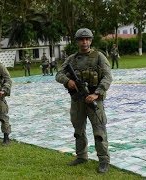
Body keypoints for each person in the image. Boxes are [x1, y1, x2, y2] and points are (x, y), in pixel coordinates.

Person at [55, 28, 112, 173]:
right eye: (81, 39)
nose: (84, 42)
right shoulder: (71, 59)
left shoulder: (99, 56)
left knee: (99, 131)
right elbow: (59, 74)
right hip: (77, 100)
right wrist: (68, 81)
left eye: (87, 39)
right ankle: (81, 156)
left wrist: (97, 94)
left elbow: (107, 77)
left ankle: (104, 160)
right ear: (77, 41)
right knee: (78, 130)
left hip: (94, 100)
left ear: (91, 40)